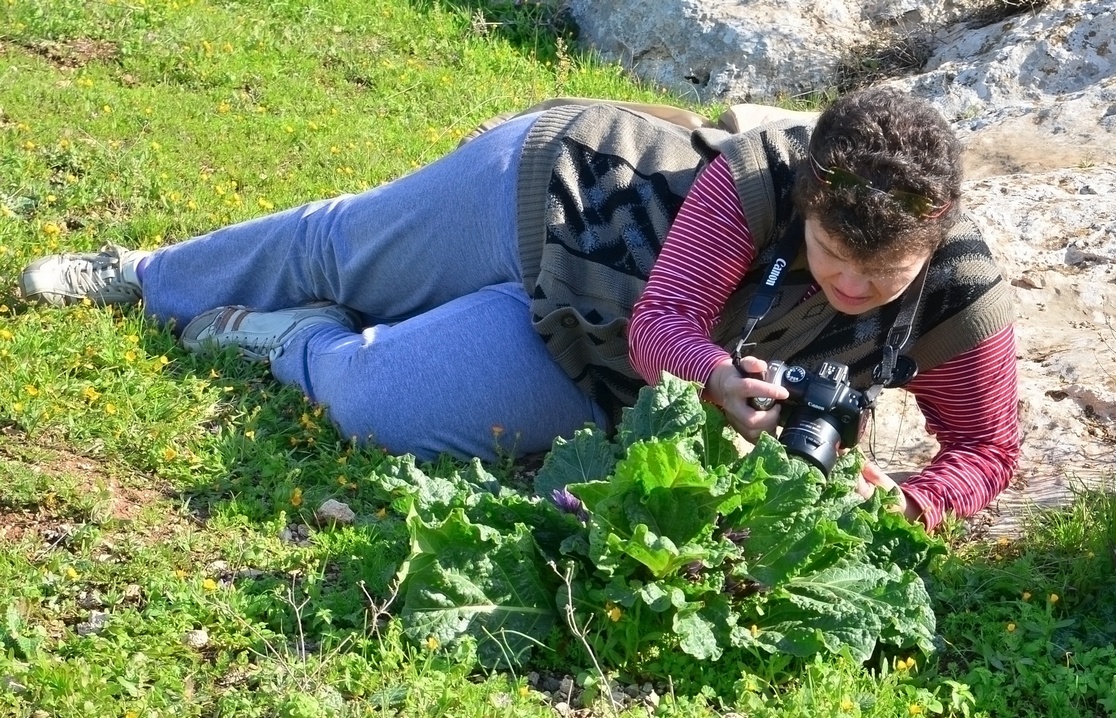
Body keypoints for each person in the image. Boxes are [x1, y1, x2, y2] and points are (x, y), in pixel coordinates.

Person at [18, 86, 1018, 530]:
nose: (850, 287)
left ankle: (288, 335)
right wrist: (714, 372)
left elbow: (988, 448)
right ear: (808, 201)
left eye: (880, 276)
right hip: (549, 202)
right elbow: (664, 318)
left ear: (932, 244)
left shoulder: (963, 287)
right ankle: (146, 273)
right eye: (833, 255)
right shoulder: (760, 178)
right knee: (342, 247)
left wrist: (913, 498)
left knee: (374, 403)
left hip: (593, 364)